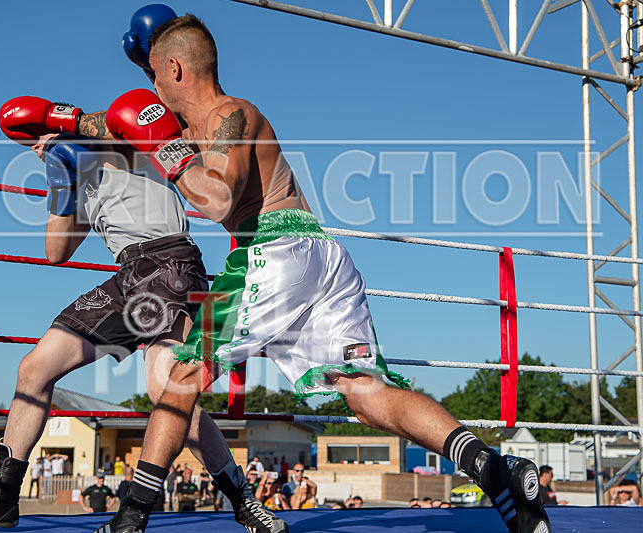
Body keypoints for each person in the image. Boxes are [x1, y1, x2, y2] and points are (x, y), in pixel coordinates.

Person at [99, 10, 550, 533]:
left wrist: (170, 156)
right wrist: (57, 124)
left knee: (181, 374)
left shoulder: (231, 114)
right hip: (321, 260)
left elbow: (218, 199)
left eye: (153, 75)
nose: (150, 90)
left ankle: (132, 517)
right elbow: (116, 122)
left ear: (175, 69)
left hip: (271, 251)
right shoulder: (195, 124)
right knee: (363, 392)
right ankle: (498, 471)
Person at [0, 96, 239, 527]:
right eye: (34, 142)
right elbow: (56, 252)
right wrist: (61, 178)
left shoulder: (124, 136)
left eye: (43, 136)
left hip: (171, 265)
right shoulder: (73, 171)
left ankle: (241, 498)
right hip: (127, 275)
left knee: (167, 389)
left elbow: (140, 125)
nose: (41, 145)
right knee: (35, 368)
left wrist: (73, 133)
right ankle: (1, 498)